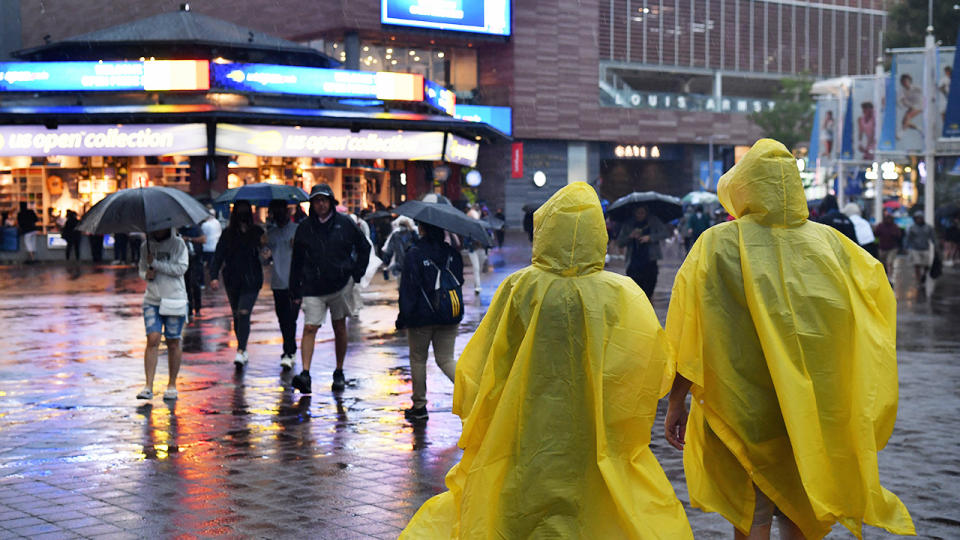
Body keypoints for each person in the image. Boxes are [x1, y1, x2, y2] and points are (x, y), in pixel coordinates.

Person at [400, 182, 692, 539]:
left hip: (526, 421)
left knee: (526, 497)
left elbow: (487, 359)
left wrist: (479, 410)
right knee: (591, 496)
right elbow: (648, 361)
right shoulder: (621, 293)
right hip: (594, 423)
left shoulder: (521, 287)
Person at [663, 139, 914, 540]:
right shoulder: (835, 247)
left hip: (743, 408)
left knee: (752, 518)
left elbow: (689, 330)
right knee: (800, 513)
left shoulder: (716, 246)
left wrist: (677, 399)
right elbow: (873, 317)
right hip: (813, 411)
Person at [289, 184, 370, 394]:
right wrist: (294, 290)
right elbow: (296, 261)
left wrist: (356, 274)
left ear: (331, 202)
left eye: (324, 200)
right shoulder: (304, 228)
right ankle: (305, 374)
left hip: (340, 284)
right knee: (310, 327)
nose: (321, 204)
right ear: (312, 204)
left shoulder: (345, 224)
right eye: (317, 201)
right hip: (312, 286)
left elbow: (364, 247)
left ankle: (339, 370)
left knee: (339, 326)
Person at [396, 222, 464, 422]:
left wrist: (403, 317)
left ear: (422, 229)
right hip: (449, 314)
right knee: (446, 360)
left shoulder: (415, 254)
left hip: (421, 317)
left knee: (418, 360)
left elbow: (409, 289)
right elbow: (459, 280)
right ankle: (472, 394)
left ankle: (419, 406)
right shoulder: (453, 253)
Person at [210, 200, 265, 369]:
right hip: (233, 279)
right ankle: (242, 347)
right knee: (236, 314)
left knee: (243, 312)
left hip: (252, 278)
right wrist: (214, 276)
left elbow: (265, 253)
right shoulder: (228, 234)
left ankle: (241, 350)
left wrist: (265, 252)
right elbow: (218, 255)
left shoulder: (257, 232)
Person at [137, 228, 189, 401]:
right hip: (152, 299)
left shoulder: (178, 244)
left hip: (174, 299)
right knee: (152, 339)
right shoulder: (146, 245)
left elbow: (181, 268)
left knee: (173, 341)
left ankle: (172, 384)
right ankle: (148, 385)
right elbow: (141, 268)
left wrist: (157, 264)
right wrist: (147, 274)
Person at [265, 200, 299, 371]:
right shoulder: (270, 234)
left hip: (294, 282)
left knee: (291, 319)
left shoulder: (297, 230)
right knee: (282, 319)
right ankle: (289, 349)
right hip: (278, 282)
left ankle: (288, 351)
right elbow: (264, 257)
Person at [616, 204, 669, 298]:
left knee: (649, 290)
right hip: (633, 263)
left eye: (642, 213)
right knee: (635, 291)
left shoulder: (654, 221)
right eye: (638, 213)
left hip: (650, 261)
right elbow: (620, 242)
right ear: (634, 212)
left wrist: (650, 238)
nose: (640, 215)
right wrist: (630, 236)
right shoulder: (628, 224)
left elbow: (665, 233)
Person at [178, 224, 206, 319]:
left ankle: (197, 308)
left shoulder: (196, 228)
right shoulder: (180, 229)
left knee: (195, 283)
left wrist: (189, 239)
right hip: (184, 260)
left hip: (195, 259)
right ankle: (189, 309)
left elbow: (203, 239)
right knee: (186, 285)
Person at [381, 216, 418, 286]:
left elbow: (418, 245)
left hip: (411, 263)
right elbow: (390, 249)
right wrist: (386, 261)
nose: (401, 227)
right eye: (401, 225)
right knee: (401, 284)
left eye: (403, 225)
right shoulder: (396, 235)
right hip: (400, 263)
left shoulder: (412, 234)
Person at [905, 211, 937, 290]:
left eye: (920, 218)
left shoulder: (928, 227)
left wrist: (936, 246)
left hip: (925, 248)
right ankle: (919, 281)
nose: (918, 219)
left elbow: (933, 237)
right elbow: (908, 238)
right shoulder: (912, 228)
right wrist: (906, 247)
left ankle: (924, 275)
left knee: (927, 265)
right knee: (917, 265)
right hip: (915, 249)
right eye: (917, 218)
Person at [874, 213, 903, 278]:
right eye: (887, 219)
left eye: (890, 219)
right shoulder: (880, 226)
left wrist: (894, 235)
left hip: (892, 248)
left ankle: (890, 277)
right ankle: (884, 275)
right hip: (882, 248)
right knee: (882, 263)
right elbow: (876, 234)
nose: (888, 220)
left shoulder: (895, 226)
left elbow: (899, 236)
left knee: (889, 263)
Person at [200, 209, 222, 284]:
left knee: (207, 265)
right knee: (212, 264)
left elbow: (203, 235)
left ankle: (209, 280)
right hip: (215, 246)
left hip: (206, 247)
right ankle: (212, 279)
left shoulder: (205, 224)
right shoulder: (217, 223)